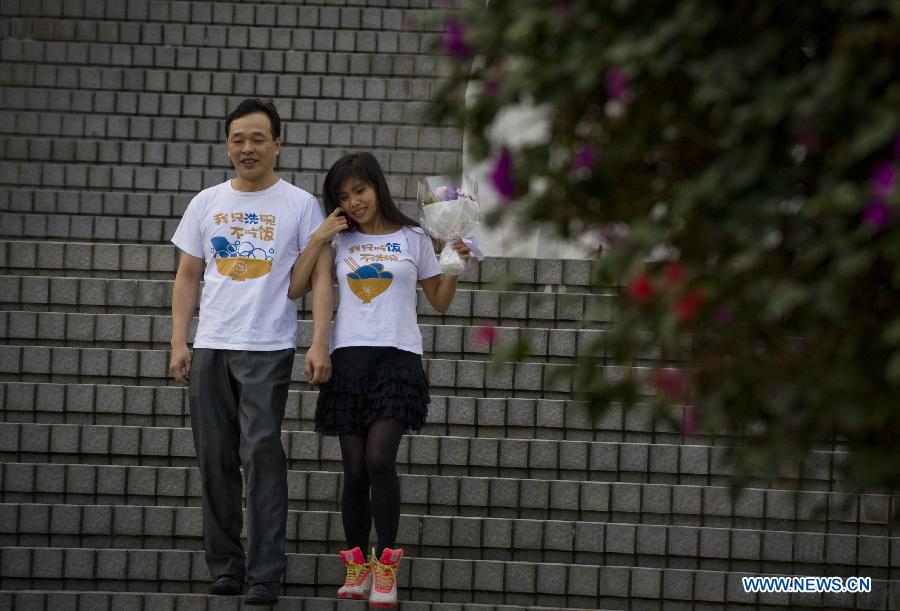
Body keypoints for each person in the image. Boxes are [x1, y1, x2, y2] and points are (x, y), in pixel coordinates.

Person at [168, 98, 333, 606]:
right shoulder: (206, 201)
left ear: (278, 144)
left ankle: (265, 572)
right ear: (227, 144)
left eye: (258, 138)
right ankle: (225, 566)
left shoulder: (301, 204)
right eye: (238, 138)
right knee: (213, 458)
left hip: (268, 347)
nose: (247, 148)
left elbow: (321, 277)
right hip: (213, 344)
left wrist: (319, 340)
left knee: (261, 454)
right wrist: (179, 338)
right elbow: (189, 273)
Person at [308, 152, 472, 607]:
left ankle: (386, 568)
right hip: (348, 360)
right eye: (344, 196)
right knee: (355, 469)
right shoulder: (338, 240)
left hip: (398, 359)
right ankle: (357, 567)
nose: (355, 201)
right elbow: (297, 284)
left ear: (376, 186)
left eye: (360, 190)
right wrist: (318, 237)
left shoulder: (415, 236)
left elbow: (439, 301)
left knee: (380, 459)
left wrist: (454, 262)